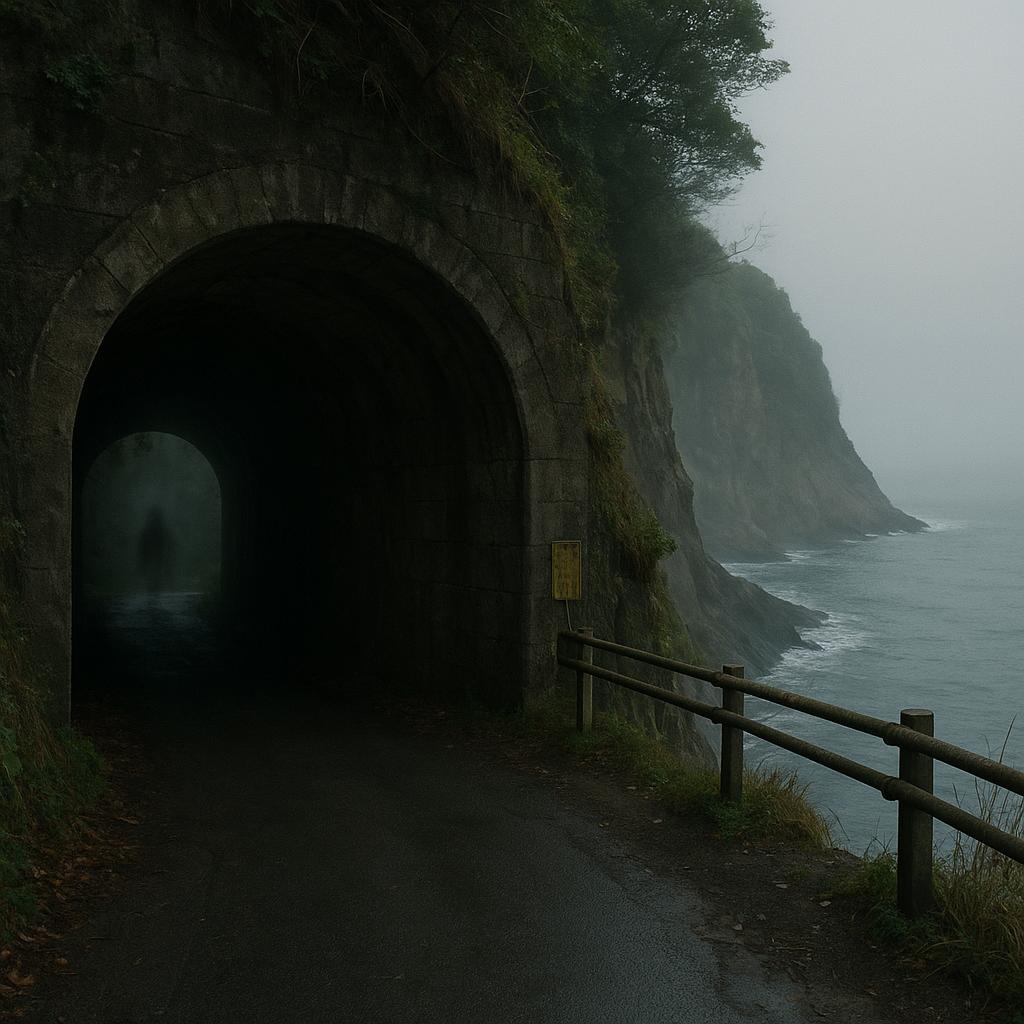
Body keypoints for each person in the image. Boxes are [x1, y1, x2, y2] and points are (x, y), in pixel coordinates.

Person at [137, 507, 176, 593]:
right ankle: (158, 585)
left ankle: (152, 585)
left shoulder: (149, 529)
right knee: (158, 568)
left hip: (154, 554)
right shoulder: (161, 529)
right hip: (158, 554)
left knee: (154, 568)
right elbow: (168, 544)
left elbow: (143, 546)